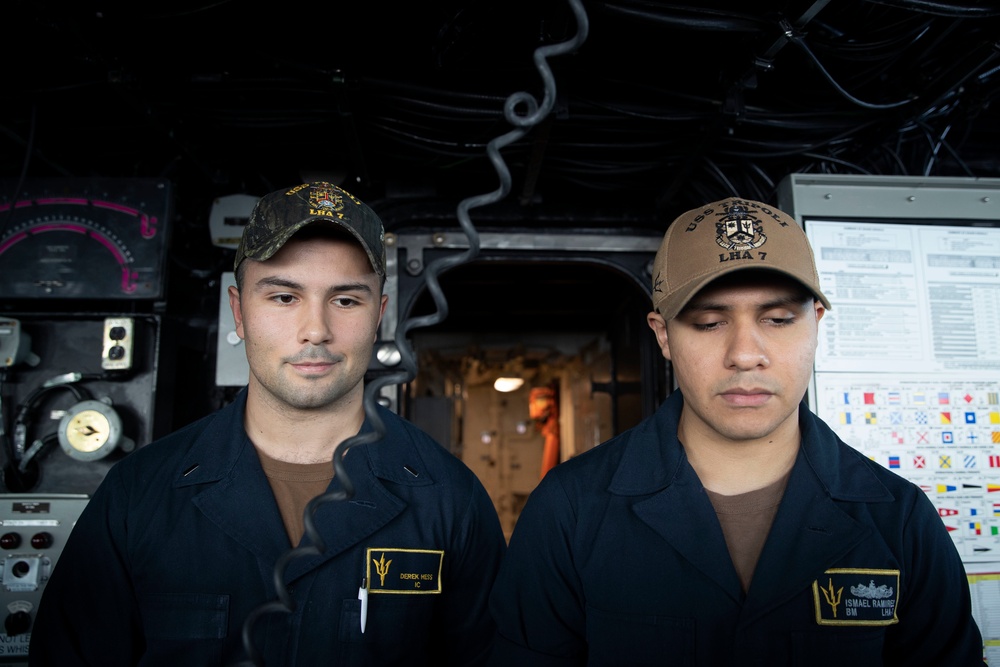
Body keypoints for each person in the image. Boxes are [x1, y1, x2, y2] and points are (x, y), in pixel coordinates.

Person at [487, 197, 985, 666]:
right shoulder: (570, 511)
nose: (745, 354)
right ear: (663, 335)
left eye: (779, 319)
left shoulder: (898, 520)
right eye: (708, 323)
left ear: (816, 324)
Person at [29, 181, 507, 666]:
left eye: (345, 300)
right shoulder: (139, 494)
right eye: (283, 297)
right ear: (239, 312)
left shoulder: (449, 498)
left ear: (380, 315)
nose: (316, 330)